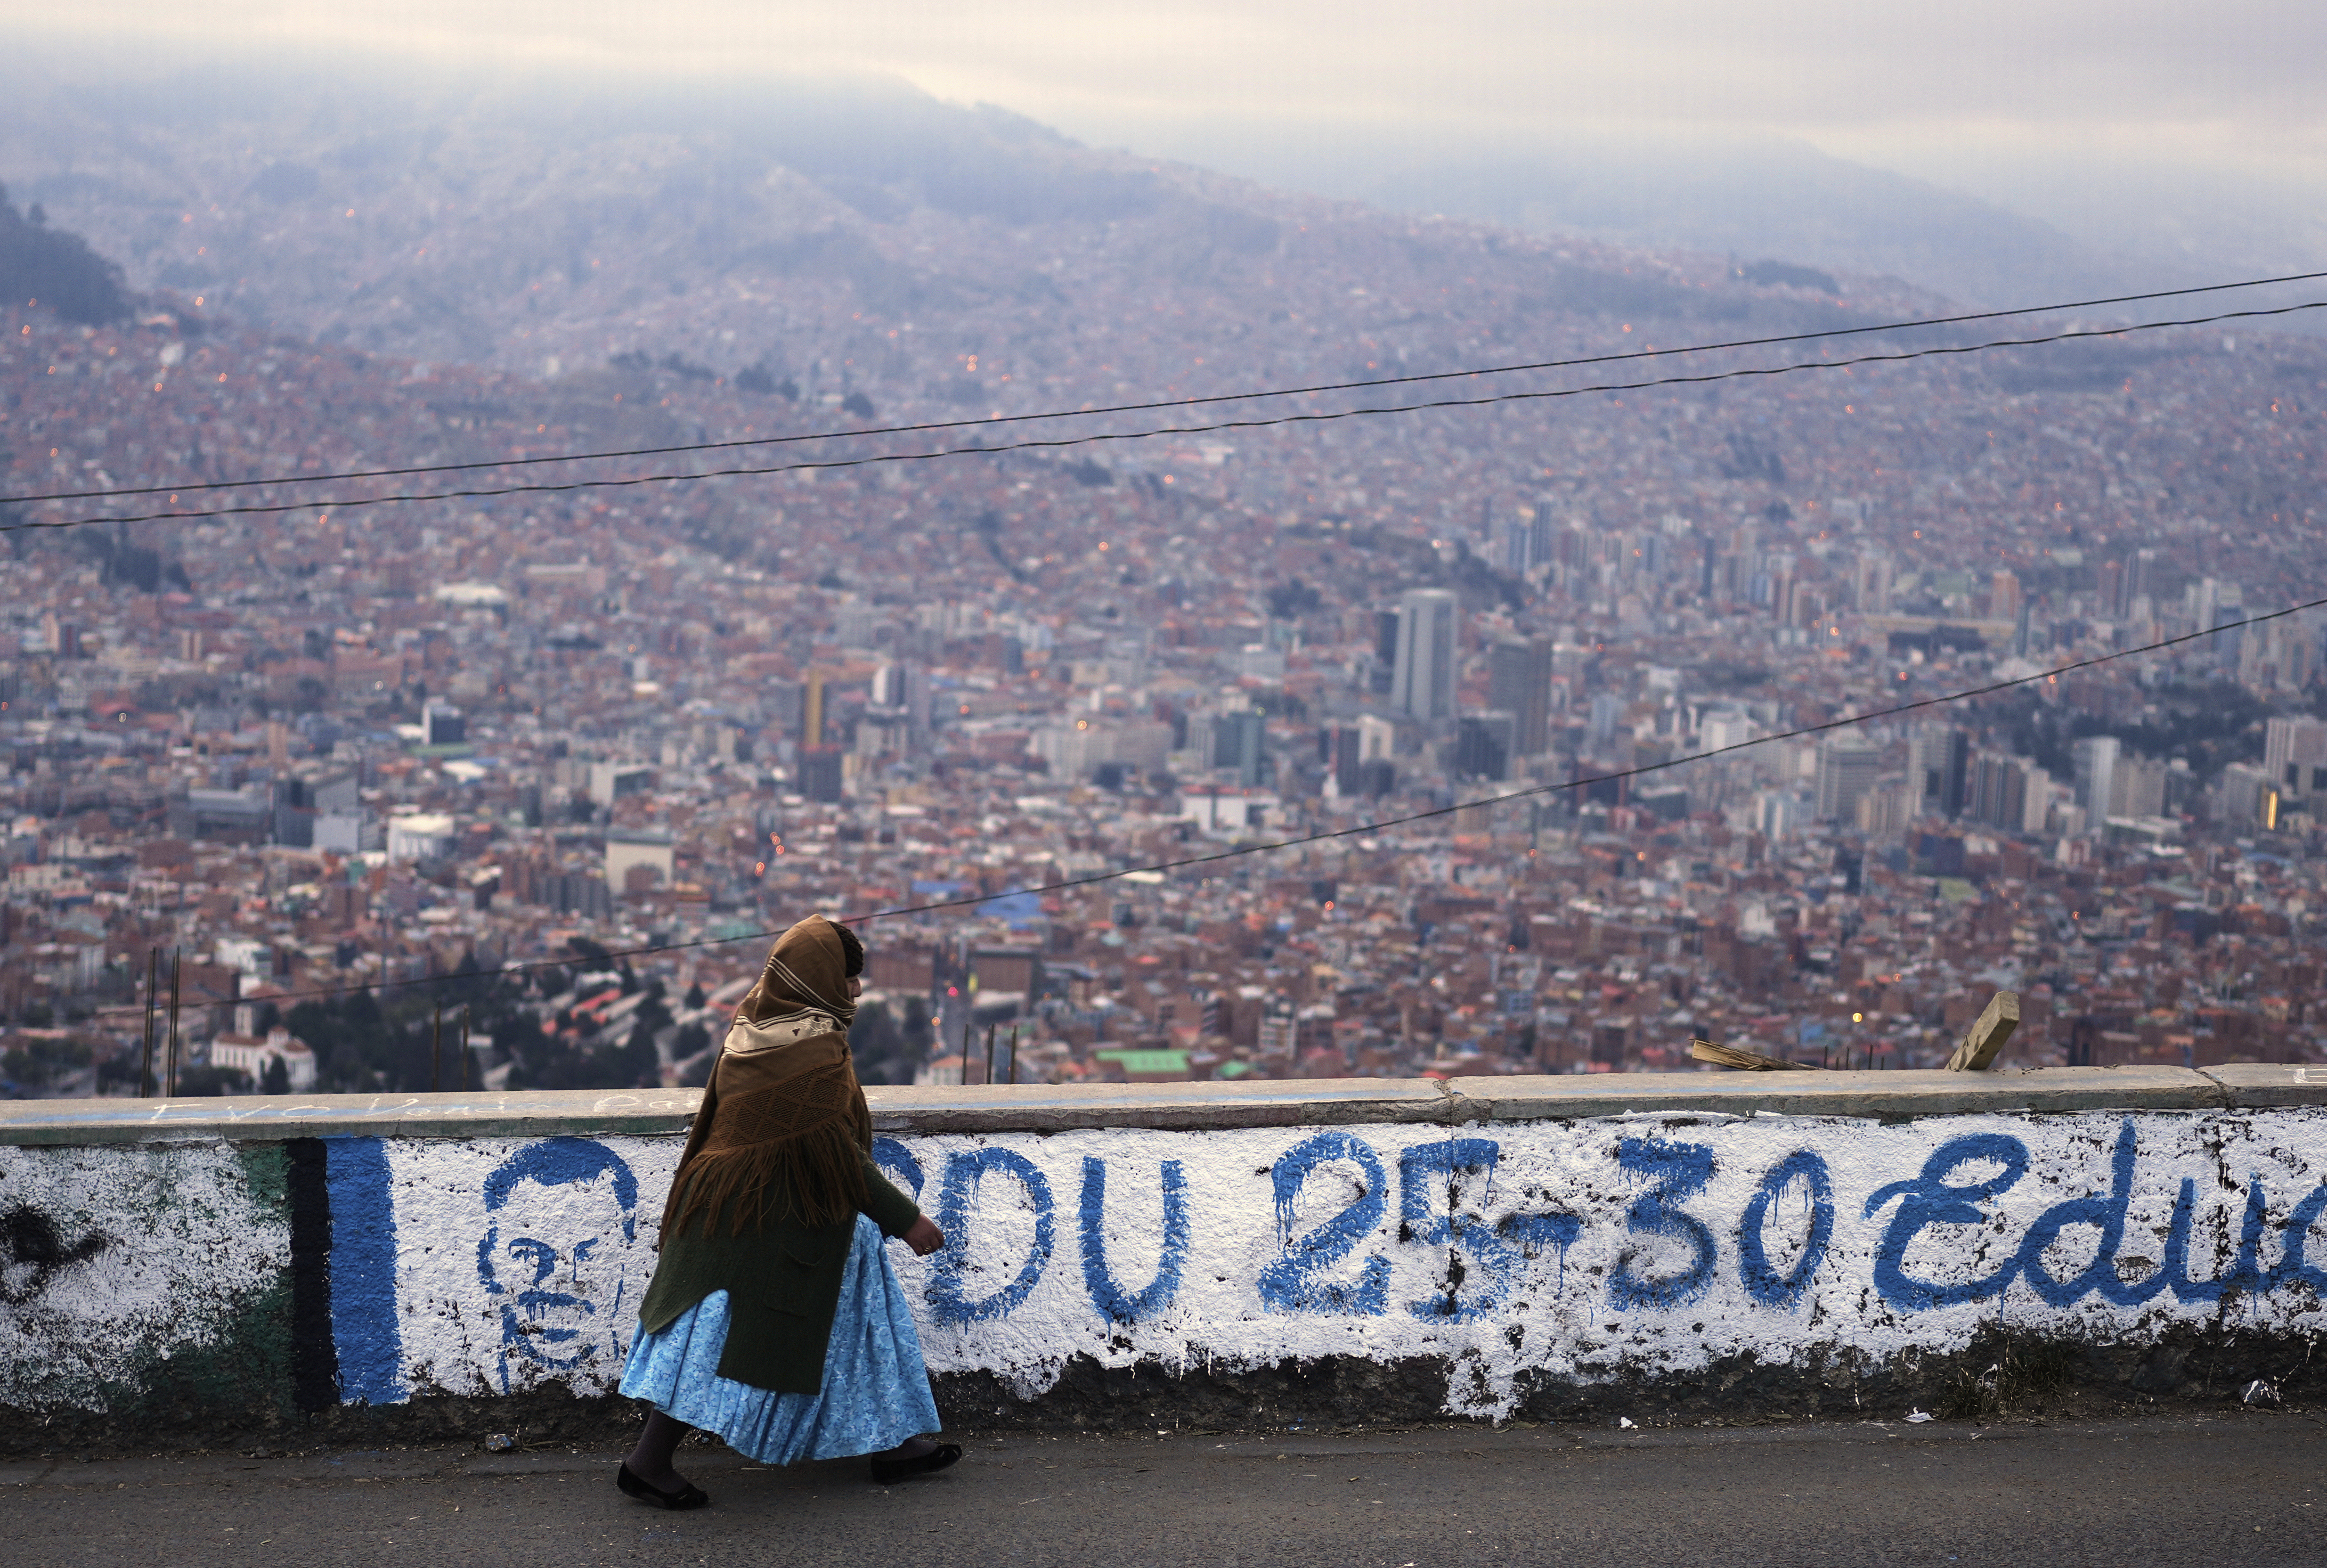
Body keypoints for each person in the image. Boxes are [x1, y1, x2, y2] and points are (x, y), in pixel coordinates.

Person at [616, 914, 957, 1509]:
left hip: (747, 1210)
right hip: (760, 1223)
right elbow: (835, 1150)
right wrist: (907, 1221)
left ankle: (894, 1443)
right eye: (849, 979)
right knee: (713, 1340)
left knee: (861, 1326)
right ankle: (647, 1462)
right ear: (822, 979)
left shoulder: (757, 1025)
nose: (855, 991)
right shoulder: (807, 1050)